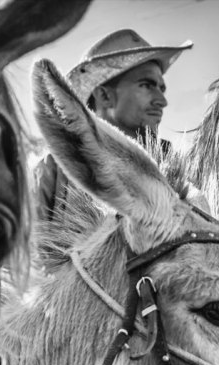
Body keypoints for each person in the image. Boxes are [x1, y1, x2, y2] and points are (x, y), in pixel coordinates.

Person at [34, 29, 192, 228]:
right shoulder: (54, 171)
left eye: (161, 88)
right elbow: (30, 253)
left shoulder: (176, 169)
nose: (162, 101)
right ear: (104, 96)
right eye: (146, 85)